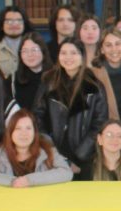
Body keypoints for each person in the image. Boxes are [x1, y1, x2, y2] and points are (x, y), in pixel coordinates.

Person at [33, 38, 108, 179]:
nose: (68, 57)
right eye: (64, 53)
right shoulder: (48, 82)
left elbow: (100, 123)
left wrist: (79, 155)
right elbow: (37, 118)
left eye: (73, 53)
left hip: (84, 157)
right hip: (52, 155)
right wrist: (51, 151)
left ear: (82, 57)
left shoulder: (94, 86)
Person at [0, 108, 72, 187]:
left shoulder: (47, 150)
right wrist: (13, 181)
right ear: (10, 133)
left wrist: (30, 180)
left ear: (35, 132)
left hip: (40, 203)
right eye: (18, 128)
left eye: (28, 128)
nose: (24, 133)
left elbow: (66, 172)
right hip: (8, 204)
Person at [91, 27, 121, 120]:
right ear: (102, 49)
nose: (114, 49)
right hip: (106, 129)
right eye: (108, 45)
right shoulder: (94, 74)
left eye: (118, 44)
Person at [7, 31, 53, 111]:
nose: (30, 54)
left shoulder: (55, 77)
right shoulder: (13, 80)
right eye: (25, 51)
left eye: (34, 50)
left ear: (43, 51)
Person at [0, 5, 33, 78]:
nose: (14, 24)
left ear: (24, 24)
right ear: (1, 25)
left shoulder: (35, 47)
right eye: (9, 21)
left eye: (19, 21)